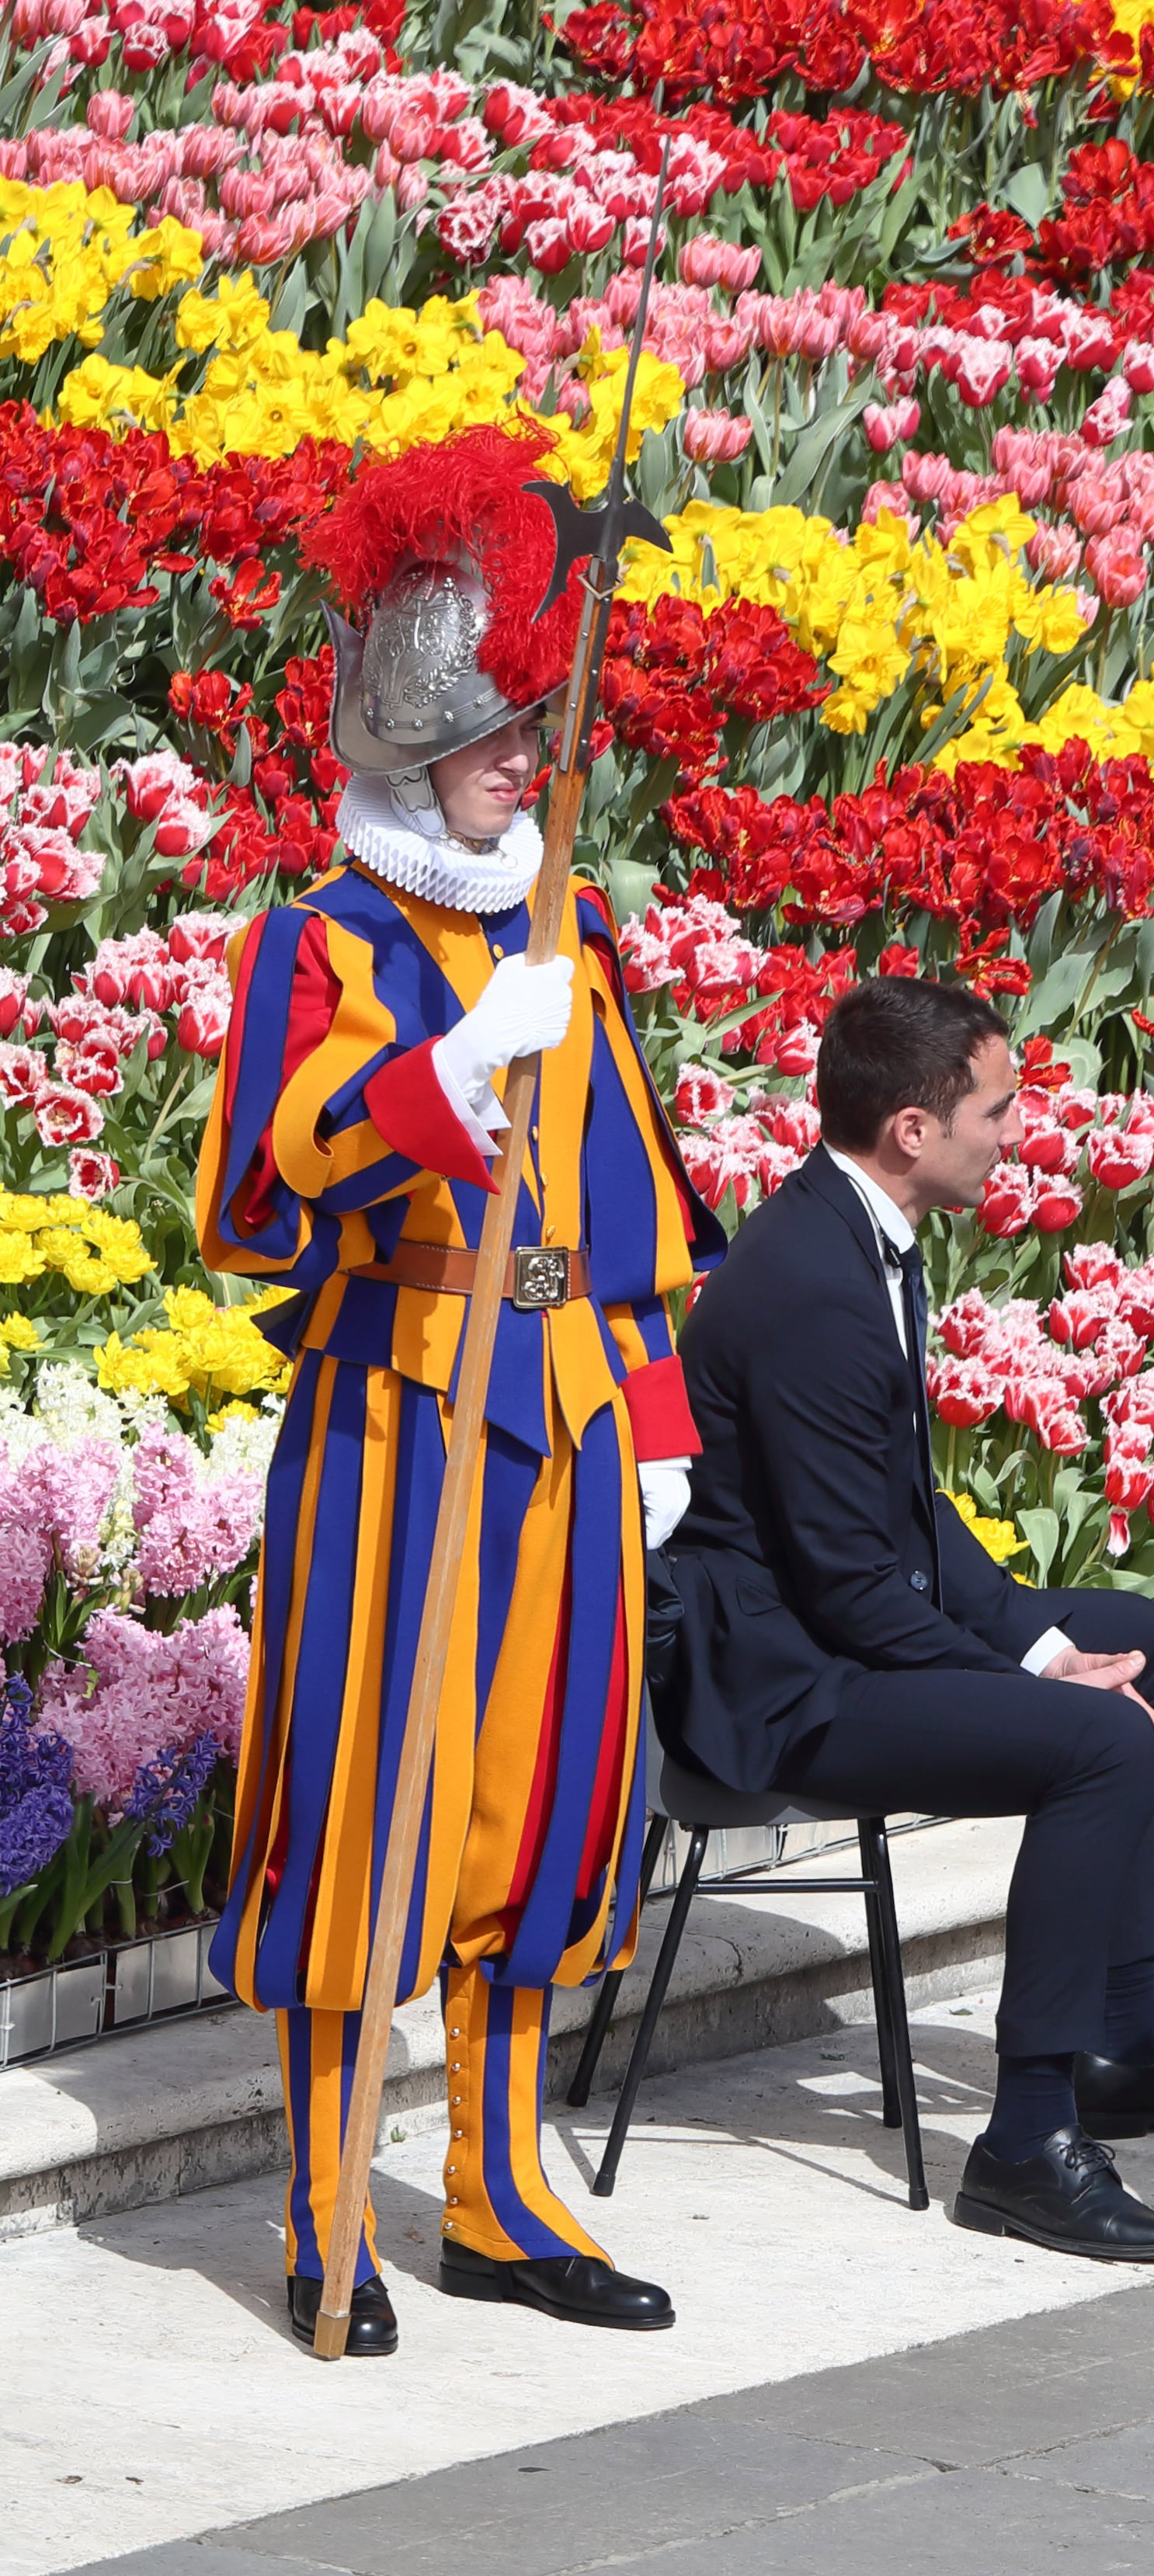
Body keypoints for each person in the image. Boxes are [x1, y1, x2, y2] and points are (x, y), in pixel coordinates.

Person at [197, 428, 718, 2356]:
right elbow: (257, 1194)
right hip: (392, 1431)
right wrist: (435, 1084)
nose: (534, 757)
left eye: (542, 727)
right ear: (413, 738)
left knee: (551, 1817)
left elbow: (642, 1221)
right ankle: (325, 2229)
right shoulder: (316, 943)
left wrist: (652, 1430)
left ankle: (496, 2197)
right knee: (364, 1820)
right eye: (503, 727)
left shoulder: (568, 929)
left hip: (566, 1433)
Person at [665, 979, 1154, 2266]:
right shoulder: (813, 1289)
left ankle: (1128, 2040)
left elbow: (905, 1506)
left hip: (833, 1624)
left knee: (1137, 1630)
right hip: (778, 1681)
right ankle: (1028, 2137)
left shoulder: (858, 1235)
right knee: (1100, 1745)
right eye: (995, 1110)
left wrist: (1045, 1643)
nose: (1012, 1133)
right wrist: (1058, 1692)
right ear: (912, 1126)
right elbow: (850, 1588)